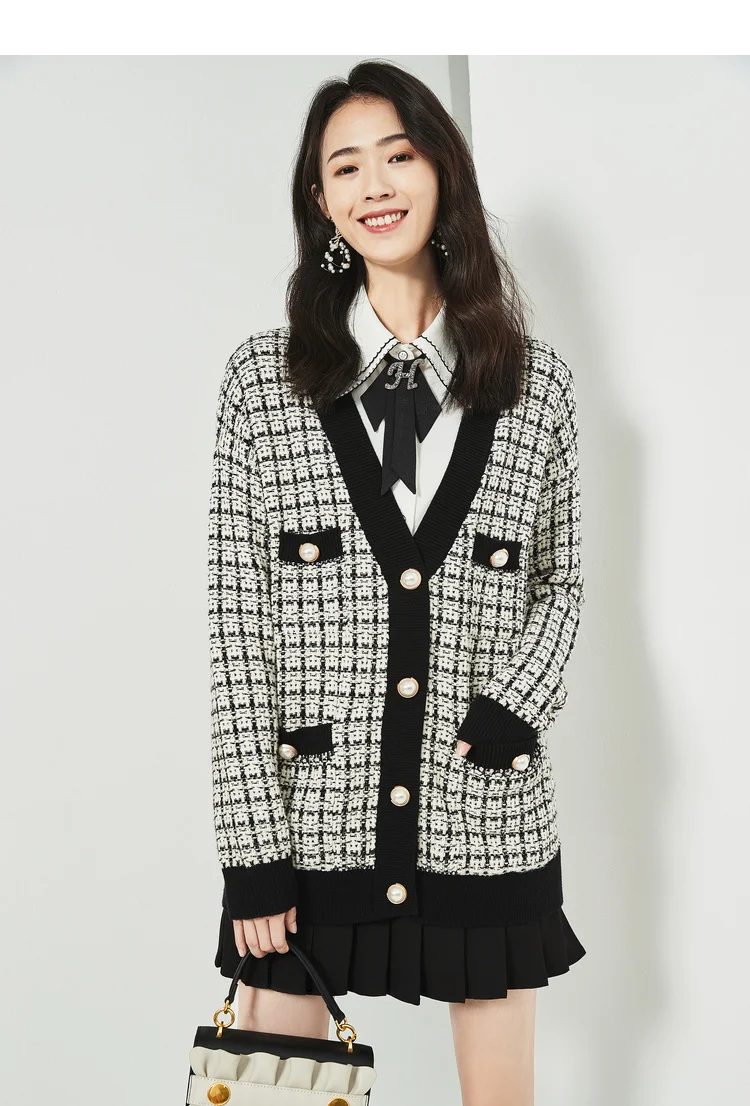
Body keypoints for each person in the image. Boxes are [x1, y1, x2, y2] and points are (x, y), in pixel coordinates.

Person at [208, 59, 586, 1105]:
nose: (374, 184)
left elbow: (561, 579)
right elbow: (238, 633)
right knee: (272, 1090)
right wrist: (253, 851)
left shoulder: (535, 386)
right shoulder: (264, 384)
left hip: (486, 812)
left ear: (441, 175)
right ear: (321, 200)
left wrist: (514, 706)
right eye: (346, 167)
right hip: (312, 816)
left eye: (399, 155)